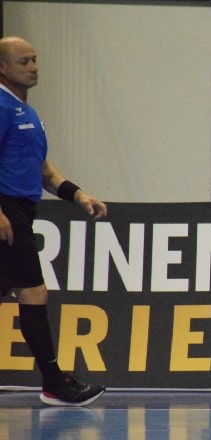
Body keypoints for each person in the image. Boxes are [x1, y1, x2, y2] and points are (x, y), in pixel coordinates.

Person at [0, 36, 107, 406]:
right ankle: (54, 383)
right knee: (34, 293)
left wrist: (78, 195)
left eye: (35, 59)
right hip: (7, 212)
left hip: (22, 210)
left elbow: (43, 169)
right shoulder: (0, 106)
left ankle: (54, 382)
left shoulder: (27, 112)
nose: (33, 66)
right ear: (3, 68)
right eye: (23, 61)